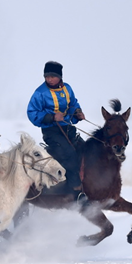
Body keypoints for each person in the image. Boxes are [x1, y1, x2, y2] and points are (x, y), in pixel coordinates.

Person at [27, 61, 85, 196]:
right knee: (69, 153)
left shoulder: (67, 88)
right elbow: (32, 113)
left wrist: (77, 112)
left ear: (59, 76)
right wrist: (52, 117)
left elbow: (73, 103)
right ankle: (76, 190)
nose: (49, 79)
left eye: (52, 76)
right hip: (51, 132)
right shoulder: (40, 92)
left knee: (84, 148)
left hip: (68, 129)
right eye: (47, 76)